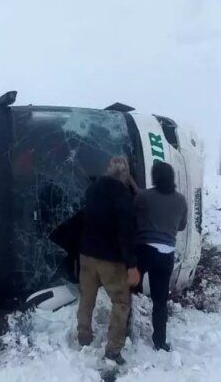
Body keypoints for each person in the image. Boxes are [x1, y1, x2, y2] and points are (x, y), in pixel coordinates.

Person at [76, 156, 140, 365]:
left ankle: (83, 336)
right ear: (125, 175)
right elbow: (126, 233)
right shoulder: (123, 196)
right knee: (121, 302)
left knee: (87, 298)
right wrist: (132, 266)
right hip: (110, 261)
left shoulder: (92, 189)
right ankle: (113, 350)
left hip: (86, 255)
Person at [131, 161, 188, 352]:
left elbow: (133, 211)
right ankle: (160, 342)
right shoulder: (180, 200)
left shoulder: (144, 196)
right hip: (167, 255)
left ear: (155, 177)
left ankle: (125, 332)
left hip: (145, 250)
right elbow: (181, 226)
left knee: (128, 288)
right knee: (160, 300)